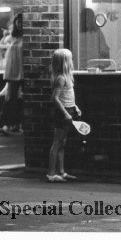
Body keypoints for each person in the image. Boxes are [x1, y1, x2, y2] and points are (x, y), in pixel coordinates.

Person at [47, 48, 81, 182]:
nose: (72, 61)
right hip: (62, 113)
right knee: (56, 143)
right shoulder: (61, 78)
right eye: (70, 59)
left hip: (69, 110)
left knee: (62, 143)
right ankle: (51, 174)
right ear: (64, 62)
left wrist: (75, 107)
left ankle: (61, 171)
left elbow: (68, 97)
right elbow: (55, 98)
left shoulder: (68, 76)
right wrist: (66, 113)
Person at [0, 13, 23, 135]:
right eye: (18, 22)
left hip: (24, 71)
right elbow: (1, 47)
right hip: (13, 71)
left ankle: (17, 124)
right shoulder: (12, 37)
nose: (20, 24)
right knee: (10, 98)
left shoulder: (28, 37)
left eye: (22, 22)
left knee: (22, 99)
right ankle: (3, 124)